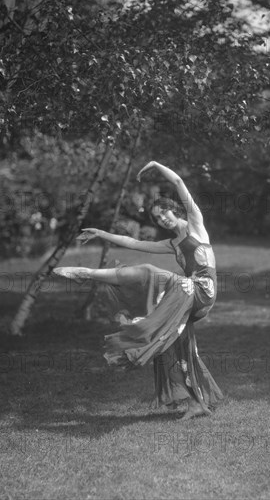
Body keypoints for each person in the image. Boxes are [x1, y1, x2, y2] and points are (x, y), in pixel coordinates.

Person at [53, 161, 223, 420]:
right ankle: (195, 402)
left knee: (150, 272)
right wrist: (101, 233)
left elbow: (178, 183)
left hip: (201, 291)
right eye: (156, 217)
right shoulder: (172, 244)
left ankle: (86, 274)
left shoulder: (195, 225)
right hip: (187, 297)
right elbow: (134, 242)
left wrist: (155, 165)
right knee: (167, 348)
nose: (162, 218)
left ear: (174, 209)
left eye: (164, 211)